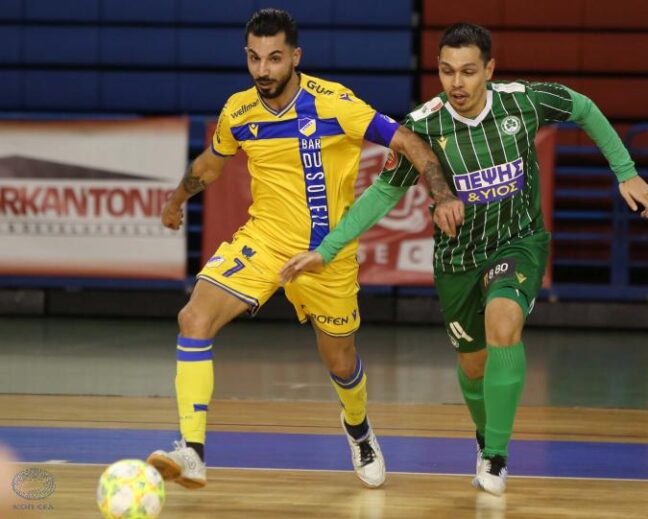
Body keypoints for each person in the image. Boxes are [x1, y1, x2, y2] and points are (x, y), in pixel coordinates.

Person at [280, 22, 648, 496]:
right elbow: (382, 193)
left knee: (504, 321)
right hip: (458, 258)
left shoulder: (521, 101)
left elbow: (582, 107)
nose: (457, 83)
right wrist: (326, 250)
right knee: (474, 366)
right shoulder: (424, 125)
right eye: (446, 72)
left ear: (489, 69)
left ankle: (498, 458)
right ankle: (486, 438)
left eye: (467, 71)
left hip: (519, 242)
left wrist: (625, 172)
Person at [147, 9, 463, 490]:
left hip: (326, 255)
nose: (263, 71)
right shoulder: (240, 111)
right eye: (254, 58)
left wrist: (440, 191)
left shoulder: (335, 104)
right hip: (264, 242)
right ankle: (191, 452)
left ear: (295, 57)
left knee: (340, 361)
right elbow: (212, 164)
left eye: (274, 59)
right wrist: (175, 200)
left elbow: (407, 140)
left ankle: (357, 428)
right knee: (193, 319)